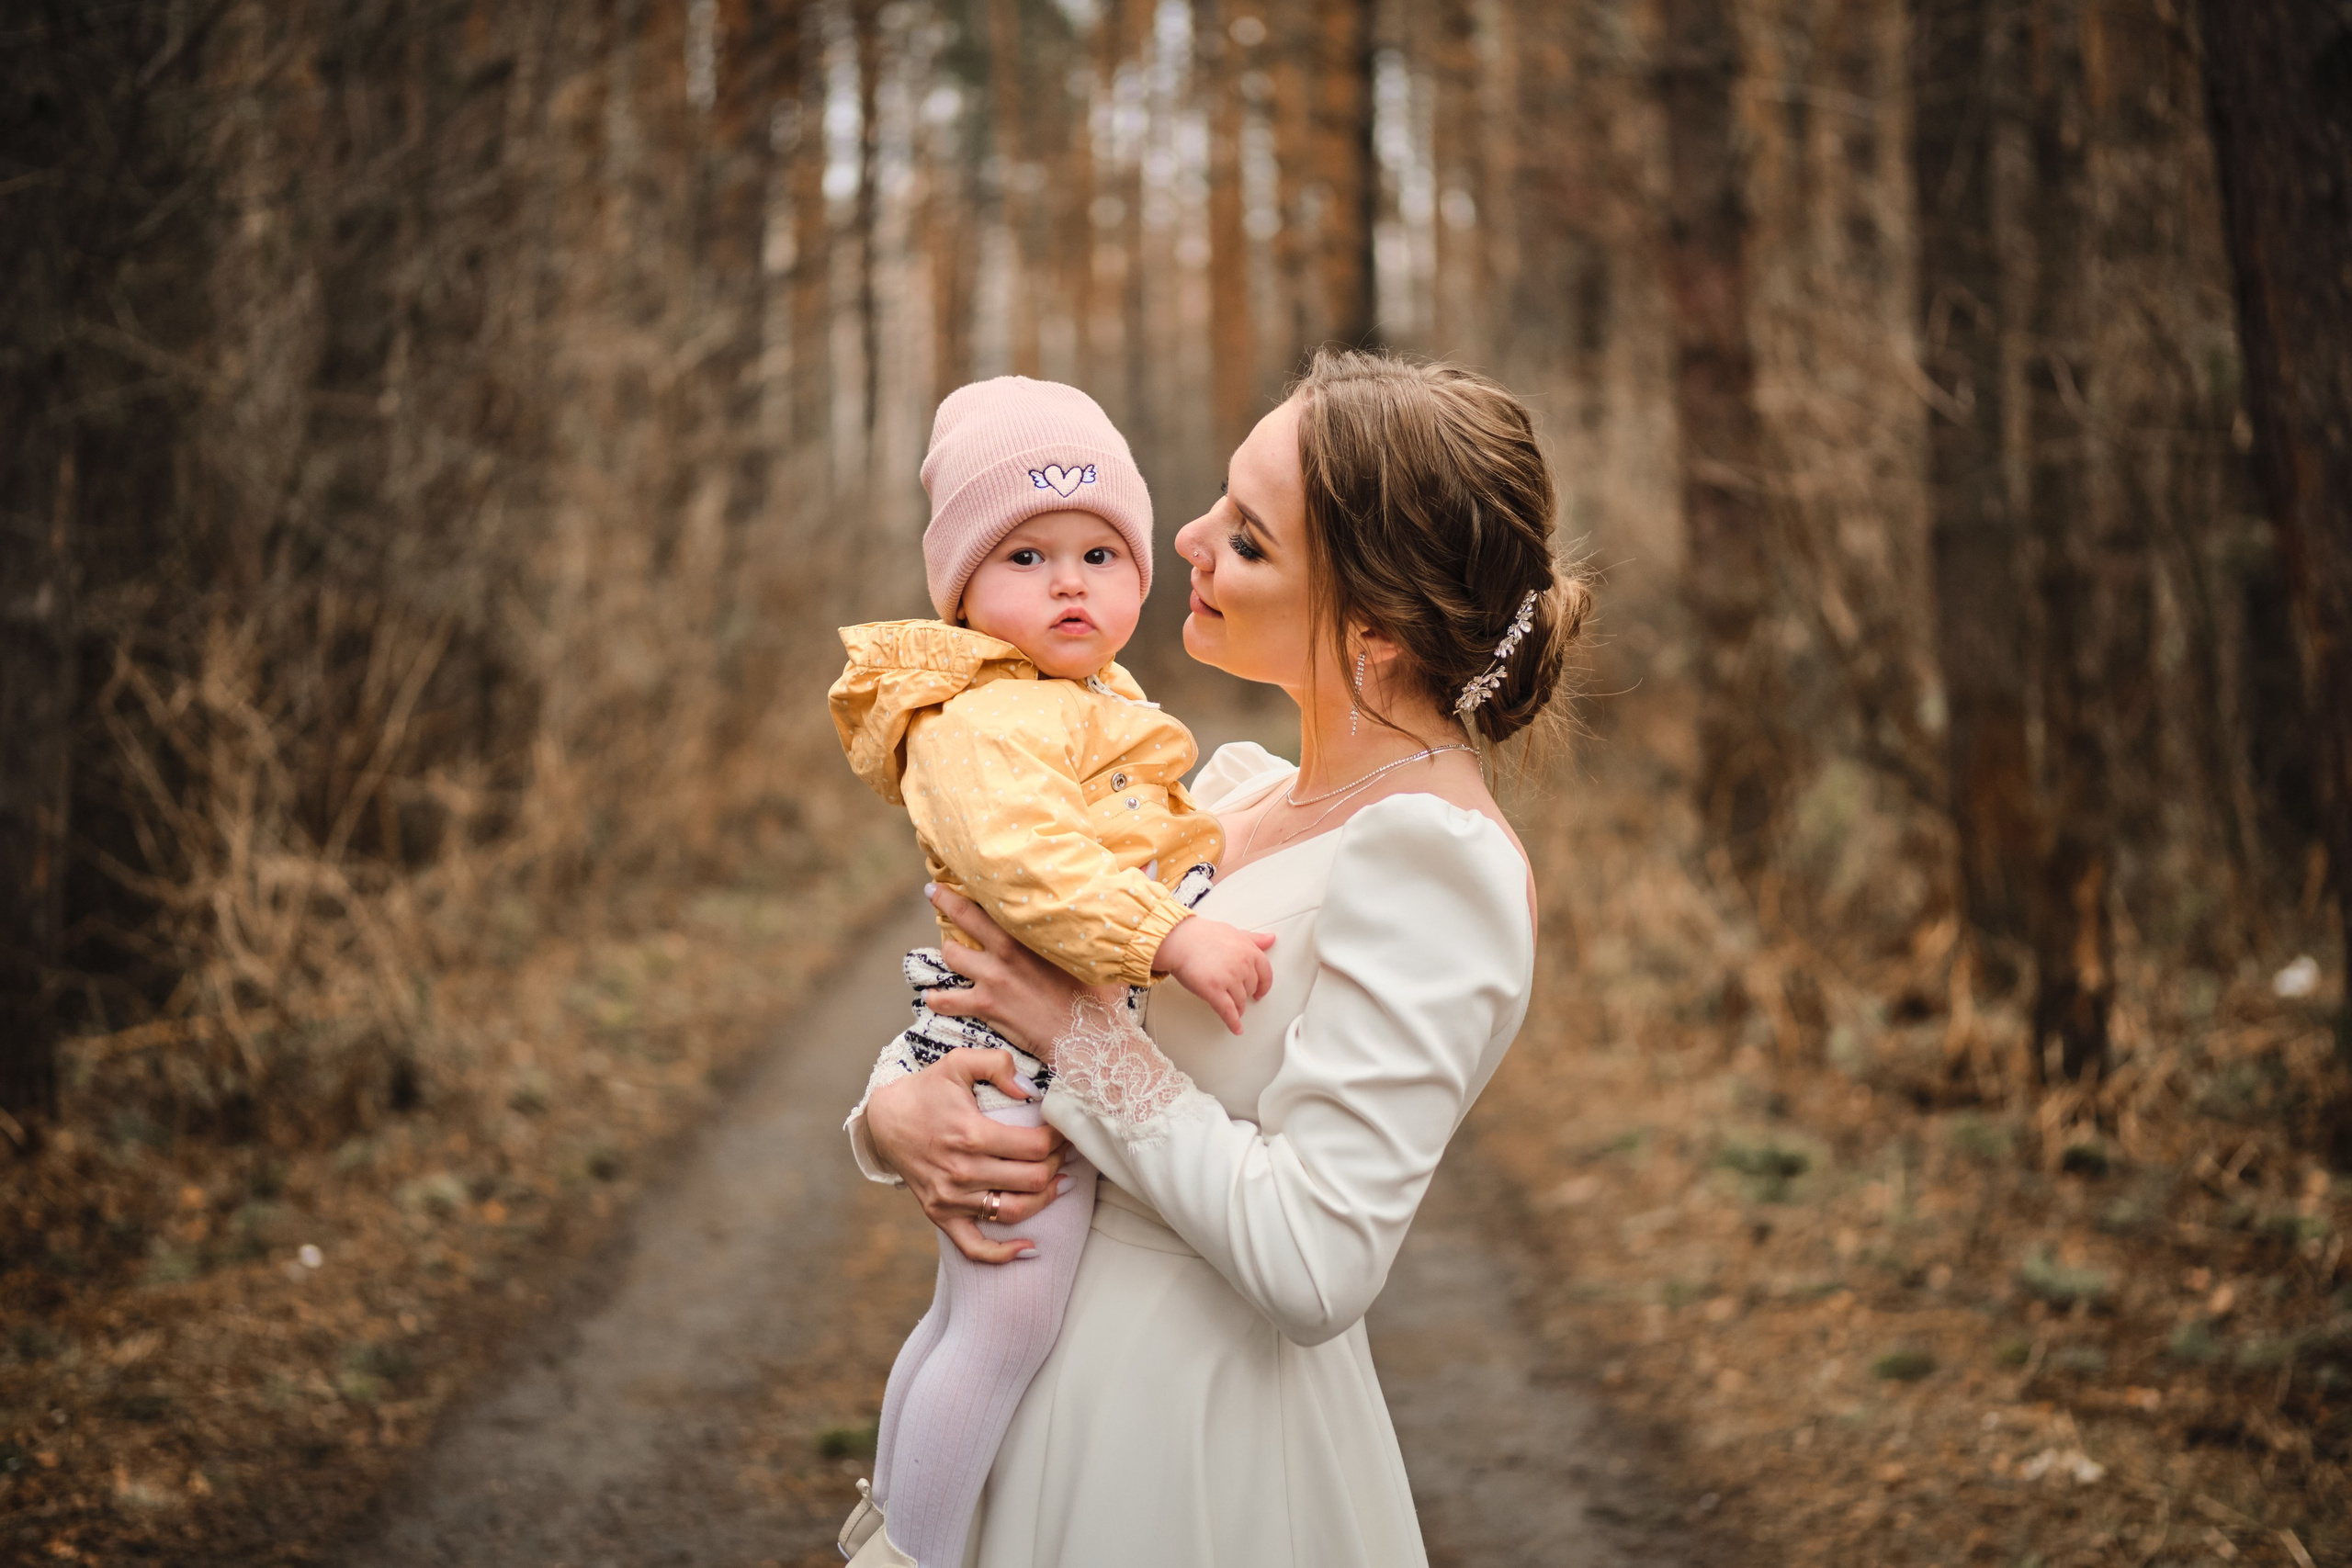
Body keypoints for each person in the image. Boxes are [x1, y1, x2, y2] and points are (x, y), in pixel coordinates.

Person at [846, 348, 1590, 1567]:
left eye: (1247, 539)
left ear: (1376, 629)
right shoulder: (1230, 798)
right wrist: (894, 1113)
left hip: (1192, 1454)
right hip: (1033, 1397)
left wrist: (1072, 1039)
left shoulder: (1437, 867)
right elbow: (1011, 988)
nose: (1181, 538)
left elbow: (1316, 1259)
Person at [829, 376, 1279, 1568]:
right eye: (1024, 555)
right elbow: (1029, 867)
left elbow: (1139, 829)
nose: (1068, 581)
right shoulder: (986, 721)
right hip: (1011, 1056)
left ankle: (903, 1531)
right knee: (1006, 1317)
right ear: (962, 589)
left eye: (1097, 552)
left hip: (1039, 1039)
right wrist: (1171, 937)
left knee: (971, 1314)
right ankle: (915, 1553)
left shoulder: (1080, 698)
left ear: (1138, 575)